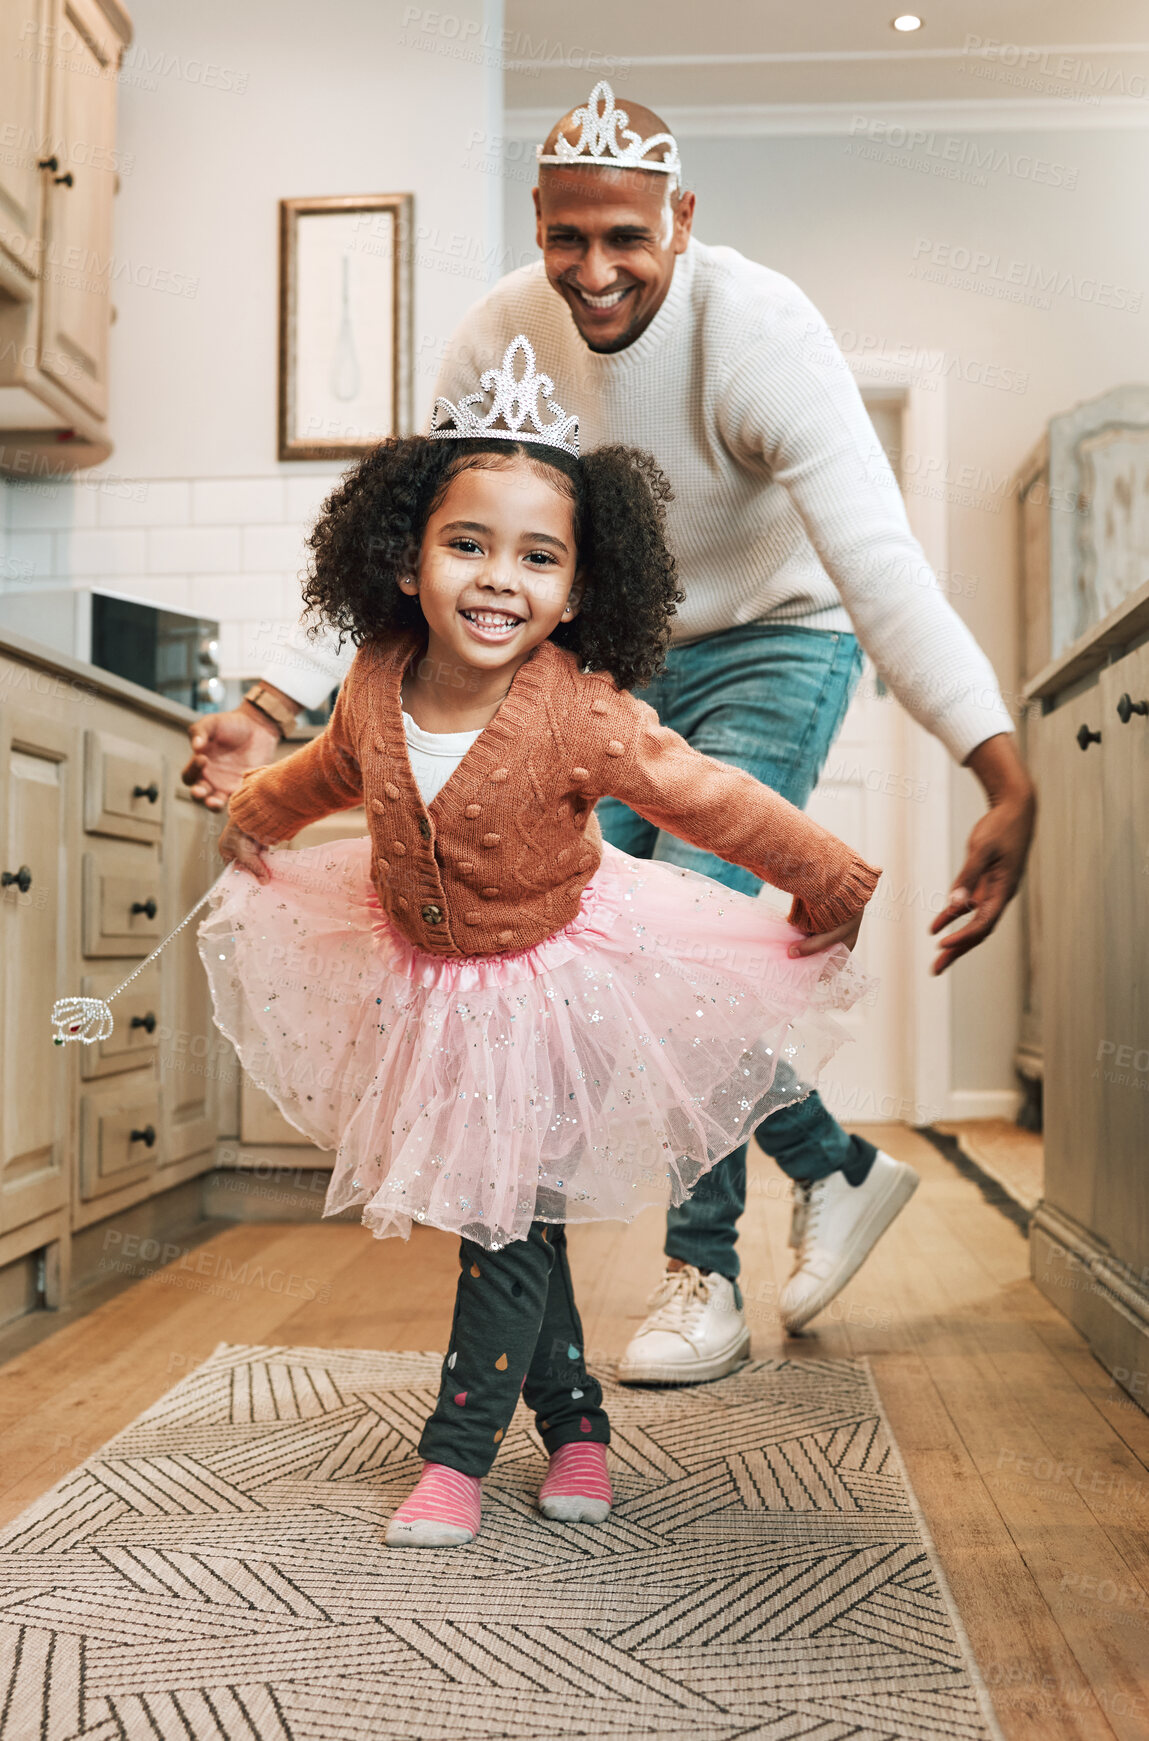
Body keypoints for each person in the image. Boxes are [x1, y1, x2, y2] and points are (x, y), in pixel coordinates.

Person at [183, 83, 1035, 1379]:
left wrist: (997, 767)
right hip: (589, 672)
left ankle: (705, 1274)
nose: (594, 271)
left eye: (626, 239)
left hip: (775, 638)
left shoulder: (760, 334)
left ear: (678, 221)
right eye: (567, 237)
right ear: (537, 217)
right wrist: (265, 708)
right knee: (596, 949)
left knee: (694, 915)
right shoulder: (497, 333)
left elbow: (879, 565)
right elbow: (422, 541)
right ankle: (839, 1167)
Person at [198, 335, 881, 1546]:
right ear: (405, 559)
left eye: (538, 556)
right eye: (467, 544)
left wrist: (824, 875)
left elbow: (709, 796)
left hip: (558, 986)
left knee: (498, 1224)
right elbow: (319, 773)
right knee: (516, 1217)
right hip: (431, 988)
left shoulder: (586, 711)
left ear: (578, 588)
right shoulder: (372, 681)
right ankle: (576, 1427)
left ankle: (455, 1456)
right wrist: (252, 815)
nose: (498, 578)